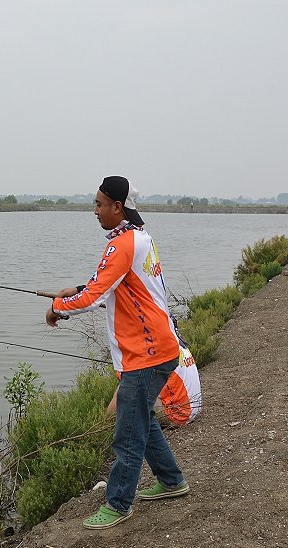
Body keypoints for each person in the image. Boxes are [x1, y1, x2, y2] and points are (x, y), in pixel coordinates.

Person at [46, 176, 188, 530]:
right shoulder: (140, 238)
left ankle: (119, 502)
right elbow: (109, 285)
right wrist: (75, 289)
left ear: (117, 207)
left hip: (147, 354)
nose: (94, 211)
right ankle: (172, 481)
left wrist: (57, 307)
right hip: (158, 347)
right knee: (141, 417)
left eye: (98, 204)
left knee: (128, 431)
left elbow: (93, 297)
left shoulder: (122, 244)